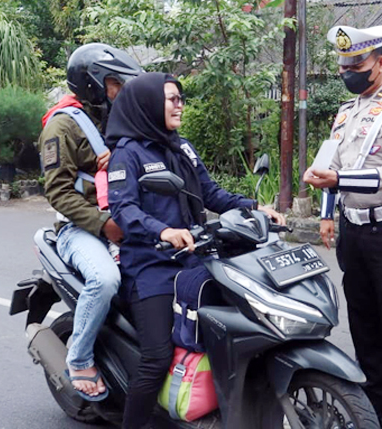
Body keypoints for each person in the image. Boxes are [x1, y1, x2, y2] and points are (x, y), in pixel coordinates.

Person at [105, 72, 285, 429]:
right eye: (171, 99)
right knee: (156, 359)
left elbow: (211, 192)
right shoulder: (127, 155)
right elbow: (123, 210)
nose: (179, 105)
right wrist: (164, 230)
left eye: (180, 98)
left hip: (195, 259)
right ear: (147, 105)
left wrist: (254, 207)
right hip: (151, 268)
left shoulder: (181, 146)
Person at [304, 25, 382, 429]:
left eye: (357, 64)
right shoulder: (346, 111)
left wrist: (338, 183)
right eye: (344, 66)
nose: (349, 71)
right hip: (354, 233)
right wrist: (327, 213)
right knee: (364, 325)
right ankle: (375, 411)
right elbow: (329, 167)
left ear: (381, 64)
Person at [38, 43, 143, 400]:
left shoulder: (114, 119)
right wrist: (104, 224)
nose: (120, 91)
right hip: (78, 229)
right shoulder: (62, 127)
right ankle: (80, 356)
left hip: (125, 219)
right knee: (105, 279)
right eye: (115, 84)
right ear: (93, 83)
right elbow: (59, 193)